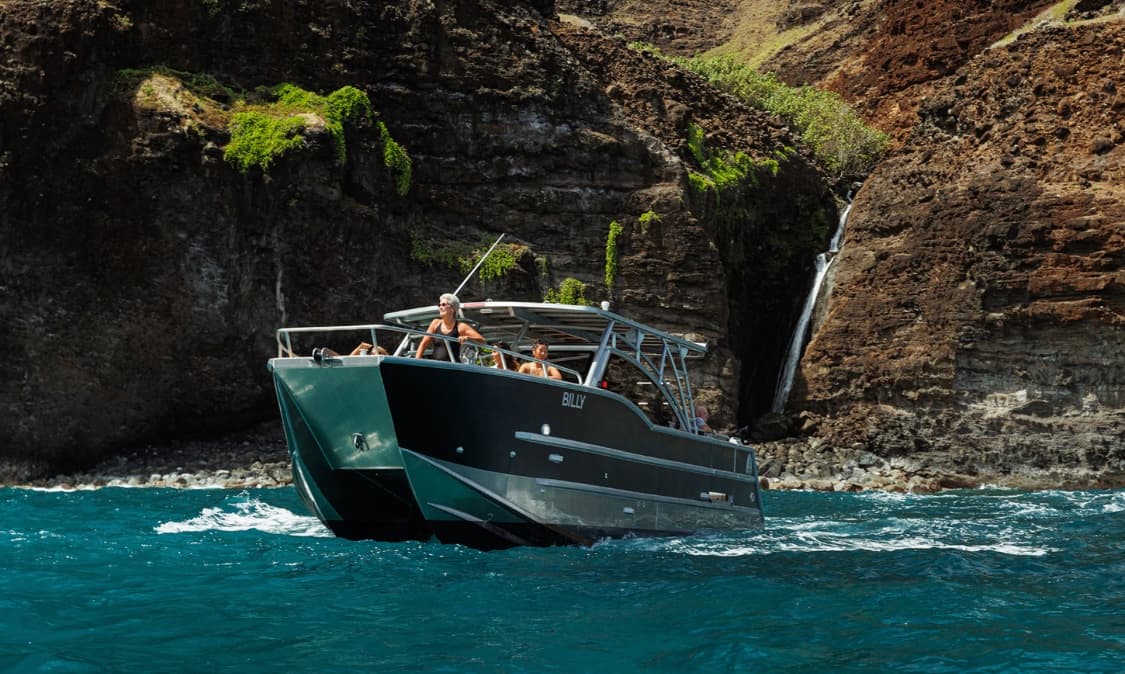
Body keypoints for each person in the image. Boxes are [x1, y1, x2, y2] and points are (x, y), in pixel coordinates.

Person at [414, 293, 485, 362]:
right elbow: (424, 343)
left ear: (453, 308)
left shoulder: (461, 326)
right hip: (436, 366)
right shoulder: (435, 323)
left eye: (443, 305)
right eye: (439, 305)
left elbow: (482, 340)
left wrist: (468, 338)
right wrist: (417, 361)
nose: (440, 307)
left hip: (452, 367)